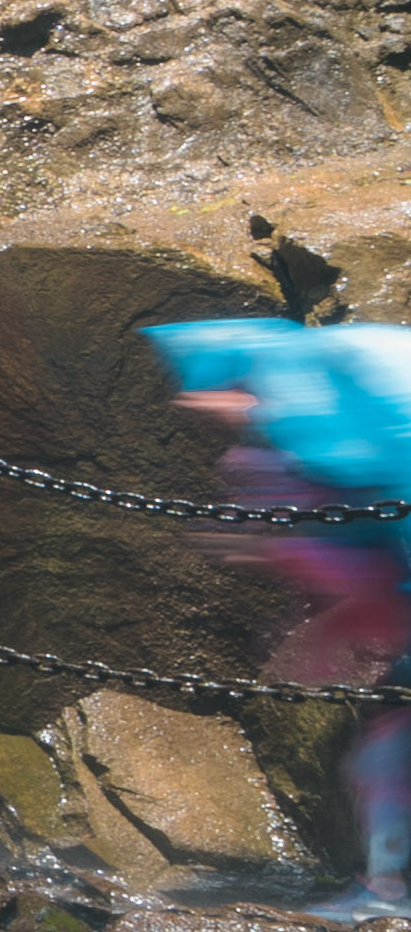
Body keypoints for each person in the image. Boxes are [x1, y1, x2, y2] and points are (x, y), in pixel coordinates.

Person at [150, 316, 411, 898]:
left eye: (212, 391)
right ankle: (385, 886)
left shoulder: (305, 399)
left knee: (386, 747)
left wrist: (269, 542)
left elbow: (360, 521)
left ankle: (386, 891)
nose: (201, 407)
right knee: (388, 734)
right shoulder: (342, 377)